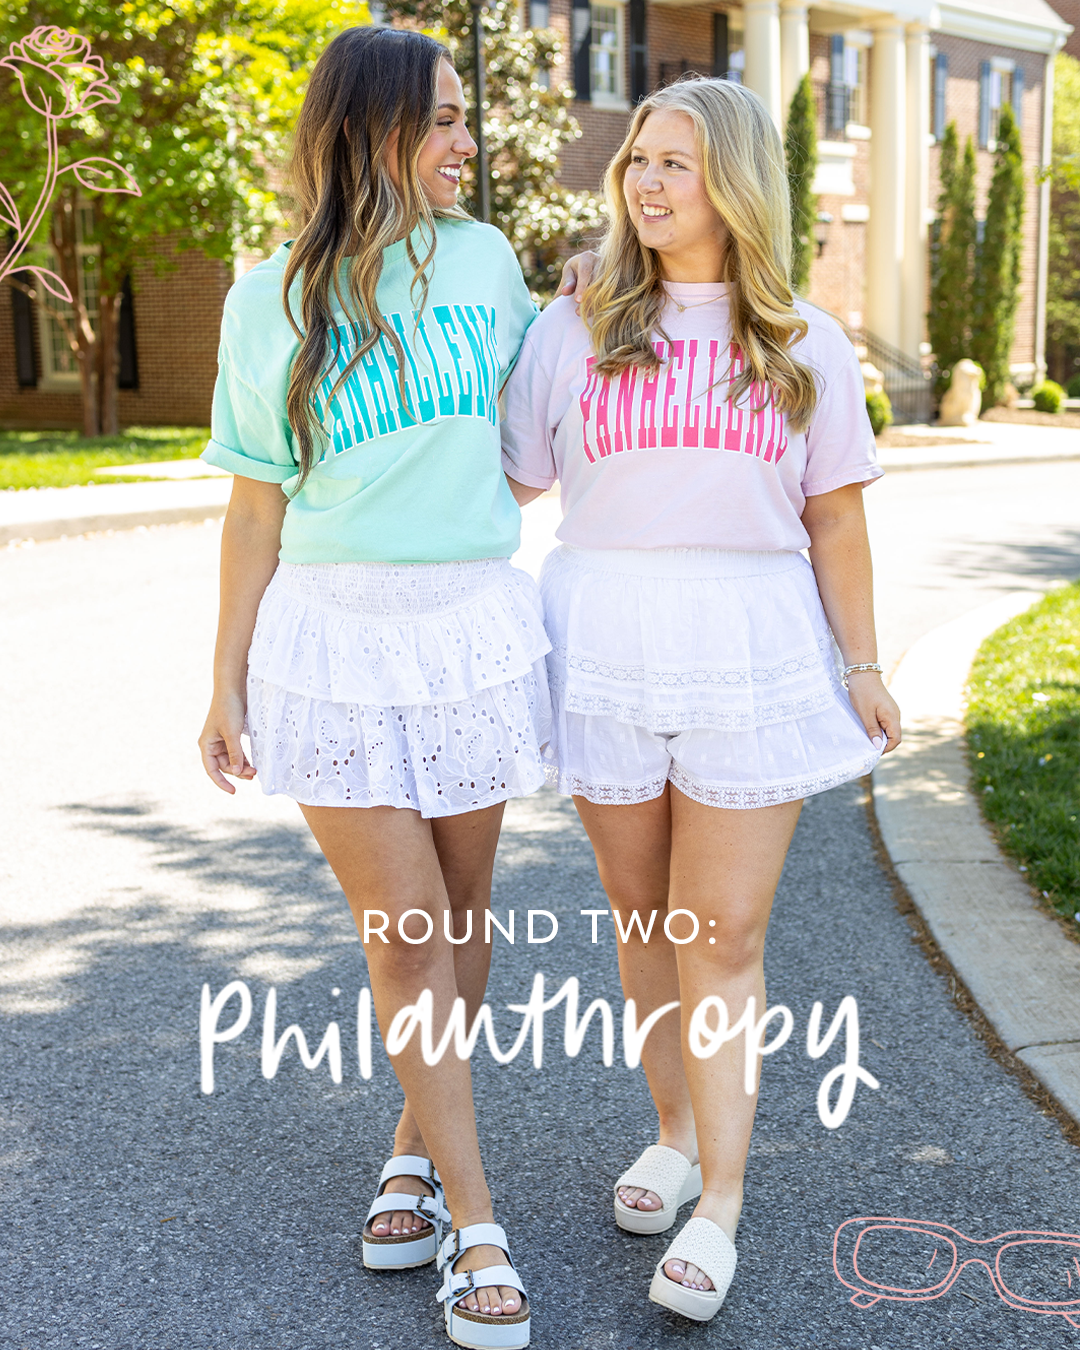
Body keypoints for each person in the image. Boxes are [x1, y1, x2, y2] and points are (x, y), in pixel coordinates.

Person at [196, 27, 585, 1348]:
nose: (469, 141)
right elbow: (256, 507)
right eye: (444, 121)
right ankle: (478, 1226)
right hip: (334, 640)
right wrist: (224, 682)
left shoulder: (485, 261)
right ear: (373, 130)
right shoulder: (268, 299)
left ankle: (415, 1150)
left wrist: (593, 292)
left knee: (464, 918)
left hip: (471, 623)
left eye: (467, 116)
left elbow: (540, 414)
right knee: (408, 933)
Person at [501, 75, 901, 1322]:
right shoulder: (572, 328)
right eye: (638, 159)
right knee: (642, 917)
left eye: (675, 162)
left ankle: (721, 1199)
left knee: (720, 934)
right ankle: (672, 1133)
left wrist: (864, 664)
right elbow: (509, 482)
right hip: (603, 640)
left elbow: (836, 522)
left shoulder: (803, 341)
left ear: (734, 182)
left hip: (749, 648)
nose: (647, 181)